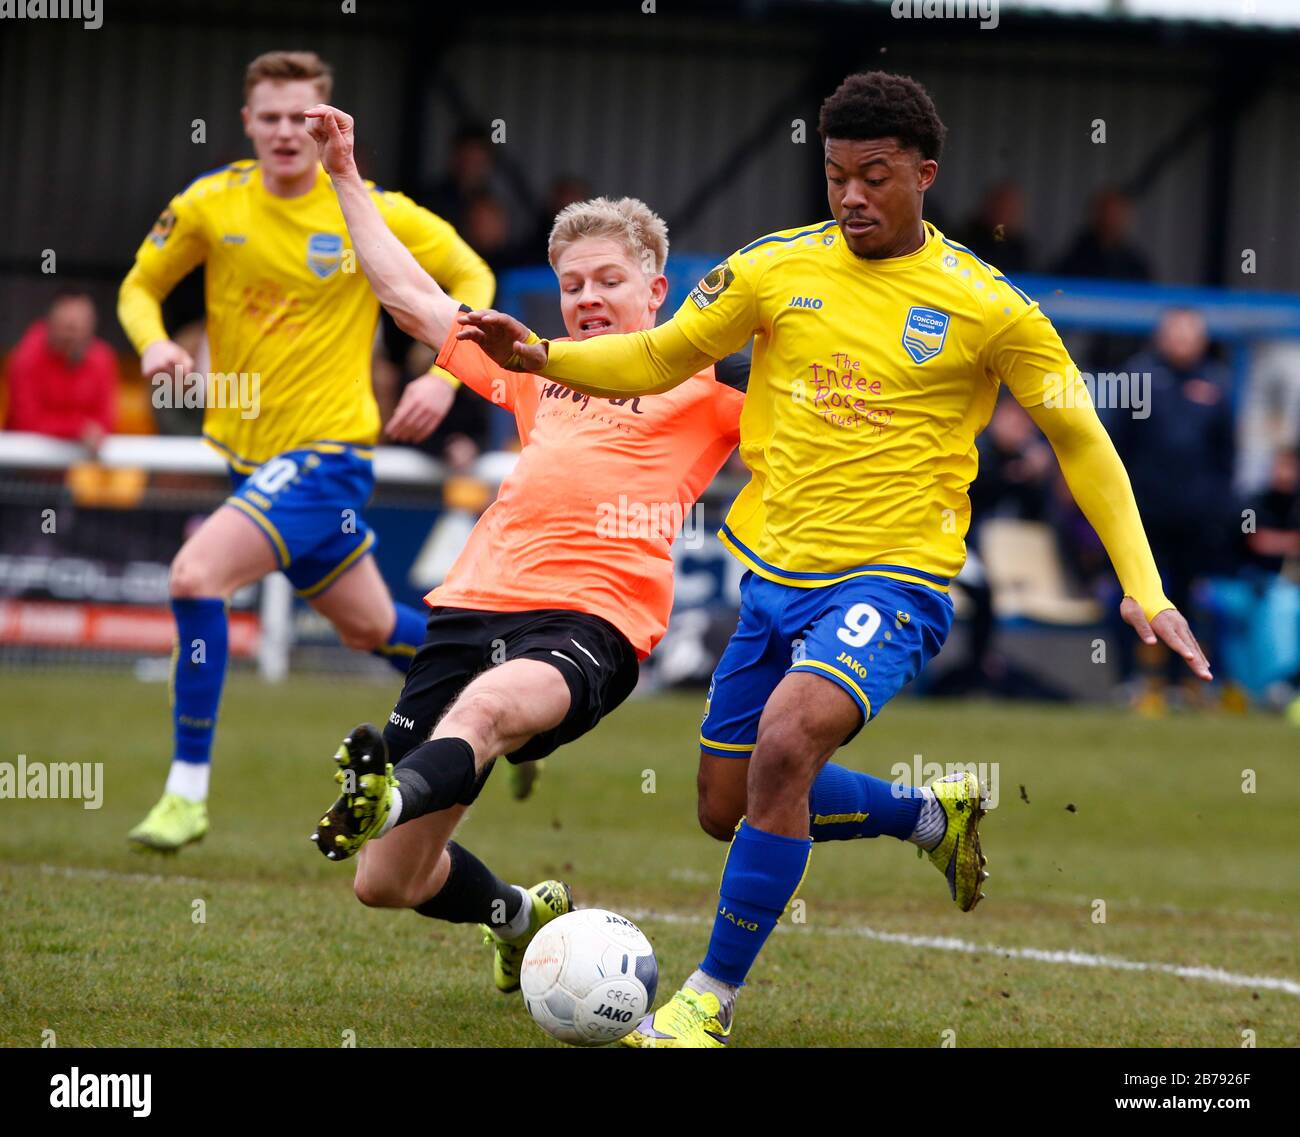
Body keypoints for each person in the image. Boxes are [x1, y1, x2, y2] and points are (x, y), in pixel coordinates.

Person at [460, 70, 1211, 1047]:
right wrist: (542, 357)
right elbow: (662, 356)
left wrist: (1142, 589)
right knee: (726, 806)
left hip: (894, 579)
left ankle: (706, 1003)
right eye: (834, 176)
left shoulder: (990, 308)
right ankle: (927, 817)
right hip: (772, 578)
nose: (851, 195)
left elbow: (1082, 444)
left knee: (786, 744)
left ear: (922, 176)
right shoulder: (773, 269)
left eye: (873, 176)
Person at [302, 103, 745, 993]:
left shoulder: (710, 396)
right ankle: (518, 913)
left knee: (494, 709)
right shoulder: (534, 364)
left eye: (609, 280)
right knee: (384, 881)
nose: (587, 298)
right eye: (572, 283)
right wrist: (345, 174)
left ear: (656, 292)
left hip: (593, 619)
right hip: (471, 607)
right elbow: (408, 297)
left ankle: (381, 795)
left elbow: (829, 398)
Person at [116, 50, 495, 852]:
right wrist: (153, 346)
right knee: (368, 627)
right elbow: (139, 287)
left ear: (327, 126)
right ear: (248, 122)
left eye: (305, 118)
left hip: (326, 458)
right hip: (249, 462)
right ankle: (495, 704)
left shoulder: (367, 207)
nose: (288, 131)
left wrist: (445, 372)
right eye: (273, 116)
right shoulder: (211, 204)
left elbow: (472, 273)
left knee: (194, 575)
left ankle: (186, 792)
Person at [1108, 308, 1235, 712]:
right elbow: (1113, 446)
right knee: (1133, 595)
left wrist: (1218, 507)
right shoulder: (1138, 376)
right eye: (1175, 333)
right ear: (1161, 336)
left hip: (1195, 519)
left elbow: (1226, 454)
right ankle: (1128, 681)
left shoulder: (1216, 381)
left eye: (1189, 334)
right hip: (1142, 516)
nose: (1181, 341)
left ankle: (1181, 685)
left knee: (1186, 597)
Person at [5, 290, 117, 452]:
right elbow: (26, 422)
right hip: (22, 463)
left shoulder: (103, 359)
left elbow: (105, 422)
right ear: (50, 325)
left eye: (80, 328)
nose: (73, 337)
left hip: (78, 467)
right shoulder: (26, 357)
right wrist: (77, 428)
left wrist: (83, 430)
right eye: (67, 328)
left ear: (92, 327)